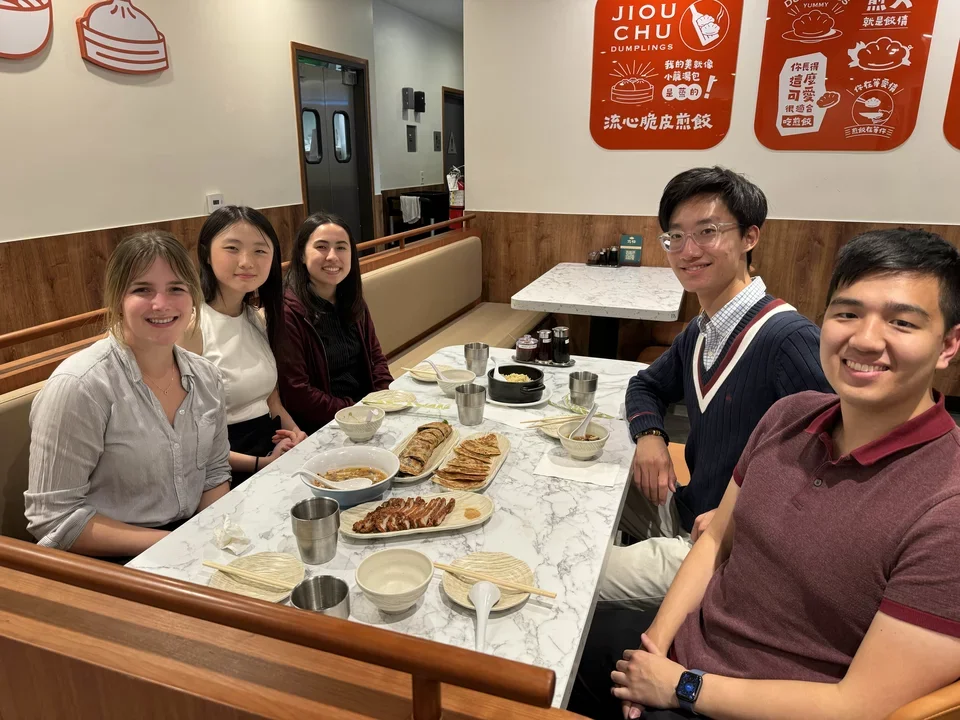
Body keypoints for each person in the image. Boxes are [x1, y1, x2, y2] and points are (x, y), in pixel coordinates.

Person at [572, 228, 960, 720]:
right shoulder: (789, 416)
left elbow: (859, 706)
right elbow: (715, 543)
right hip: (688, 650)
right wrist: (656, 645)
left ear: (948, 345)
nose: (864, 338)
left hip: (754, 705)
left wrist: (682, 688)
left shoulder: (948, 507)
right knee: (547, 653)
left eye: (902, 322)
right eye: (847, 313)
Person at [602, 167, 832, 610]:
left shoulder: (787, 340)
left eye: (707, 232)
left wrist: (740, 522)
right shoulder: (702, 330)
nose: (688, 251)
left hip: (728, 551)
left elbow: (832, 471)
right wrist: (651, 437)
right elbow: (645, 384)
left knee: (580, 566)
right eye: (675, 236)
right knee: (587, 483)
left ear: (750, 237)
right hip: (686, 509)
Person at [25, 231, 231, 559]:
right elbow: (55, 520)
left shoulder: (206, 377)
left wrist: (208, 537)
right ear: (118, 300)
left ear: (192, 298)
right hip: (111, 560)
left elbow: (216, 472)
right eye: (142, 290)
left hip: (194, 539)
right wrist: (178, 545)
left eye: (176, 288)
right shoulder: (80, 386)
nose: (161, 304)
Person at [181, 206, 307, 488]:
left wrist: (297, 434)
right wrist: (261, 464)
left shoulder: (255, 318)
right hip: (222, 472)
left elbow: (272, 402)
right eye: (232, 248)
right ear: (206, 254)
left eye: (260, 251)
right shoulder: (192, 326)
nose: (247, 261)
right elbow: (187, 439)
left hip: (270, 451)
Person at [278, 212, 392, 434]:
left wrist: (386, 398)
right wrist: (355, 411)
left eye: (341, 247)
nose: (332, 256)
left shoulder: (351, 299)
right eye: (321, 247)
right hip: (323, 426)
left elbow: (376, 358)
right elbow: (298, 393)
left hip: (367, 415)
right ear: (302, 254)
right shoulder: (288, 312)